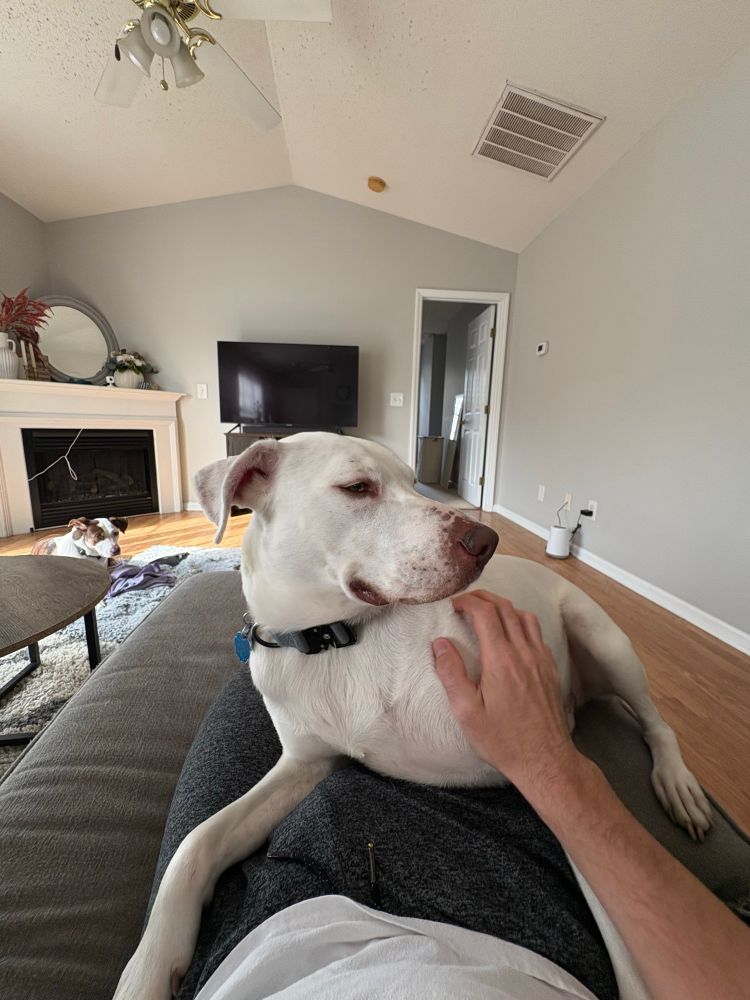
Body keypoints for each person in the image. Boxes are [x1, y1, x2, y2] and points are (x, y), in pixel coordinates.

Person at [151, 593, 750, 1000]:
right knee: (272, 653)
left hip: (255, 943)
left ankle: (656, 729)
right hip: (511, 910)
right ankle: (657, 732)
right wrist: (549, 758)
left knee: (262, 656)